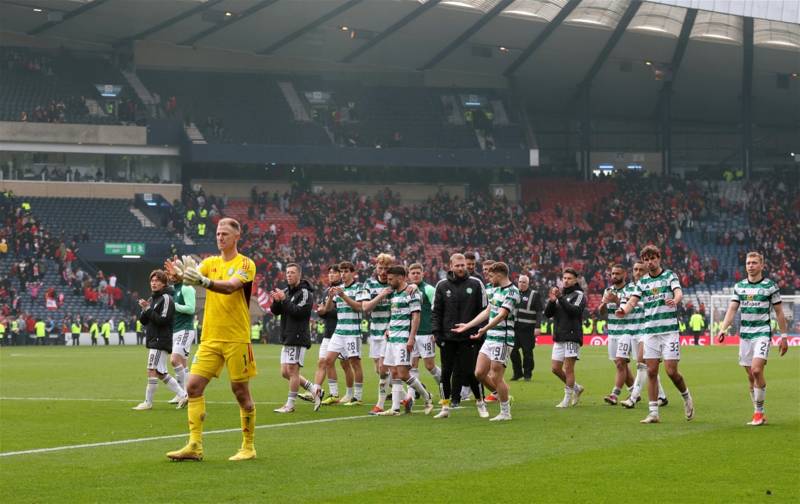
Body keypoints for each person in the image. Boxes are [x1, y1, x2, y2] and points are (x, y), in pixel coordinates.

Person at [165, 218, 258, 461]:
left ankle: (248, 446)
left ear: (237, 236)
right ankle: (194, 446)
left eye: (225, 234)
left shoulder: (246, 264)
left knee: (240, 391)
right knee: (193, 386)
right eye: (218, 234)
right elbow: (191, 279)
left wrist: (203, 281)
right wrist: (178, 278)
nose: (220, 238)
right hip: (210, 337)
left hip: (236, 338)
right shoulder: (210, 262)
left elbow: (230, 287)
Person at [617, 245, 694, 424]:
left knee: (671, 372)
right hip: (651, 331)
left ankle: (686, 397)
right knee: (651, 371)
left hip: (669, 332)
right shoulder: (642, 282)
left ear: (659, 258)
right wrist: (624, 311)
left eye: (653, 258)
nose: (650, 262)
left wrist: (674, 300)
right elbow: (633, 301)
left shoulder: (669, 275)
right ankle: (653, 413)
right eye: (646, 259)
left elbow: (678, 292)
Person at [715, 251, 789, 426]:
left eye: (754, 263)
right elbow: (732, 309)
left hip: (762, 333)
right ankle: (758, 411)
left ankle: (758, 413)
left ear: (762, 265)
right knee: (751, 376)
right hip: (745, 335)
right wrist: (723, 329)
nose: (751, 265)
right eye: (748, 263)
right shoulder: (739, 286)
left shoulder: (770, 286)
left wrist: (784, 336)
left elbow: (779, 312)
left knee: (756, 370)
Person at [454, 262, 520, 421]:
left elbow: (502, 315)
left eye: (491, 276)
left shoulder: (512, 291)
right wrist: (468, 325)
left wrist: (484, 329)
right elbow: (488, 311)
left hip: (503, 338)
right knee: (479, 373)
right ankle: (502, 395)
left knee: (497, 375)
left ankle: (505, 412)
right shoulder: (496, 290)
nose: (489, 279)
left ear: (499, 274)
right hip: (491, 338)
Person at [370, 265, 432, 416]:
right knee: (394, 373)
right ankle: (395, 408)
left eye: (391, 279)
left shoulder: (411, 293)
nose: (389, 281)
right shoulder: (394, 294)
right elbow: (394, 314)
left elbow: (416, 316)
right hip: (392, 339)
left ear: (400, 278)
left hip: (404, 339)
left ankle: (426, 396)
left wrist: (411, 338)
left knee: (403, 373)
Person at [431, 253, 487, 419]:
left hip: (469, 337)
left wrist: (479, 331)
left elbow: (485, 310)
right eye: (458, 265)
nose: (461, 268)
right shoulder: (441, 286)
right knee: (446, 373)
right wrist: (437, 333)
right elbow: (436, 312)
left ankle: (480, 403)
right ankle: (445, 407)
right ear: (451, 266)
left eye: (463, 265)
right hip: (448, 338)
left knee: (471, 373)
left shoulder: (476, 284)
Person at [310, 262, 364, 411]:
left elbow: (359, 307)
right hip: (339, 331)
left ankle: (357, 397)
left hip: (353, 331)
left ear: (353, 273)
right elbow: (327, 309)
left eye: (346, 271)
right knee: (328, 360)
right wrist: (330, 297)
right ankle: (334, 394)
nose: (343, 274)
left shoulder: (359, 287)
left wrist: (342, 295)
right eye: (341, 271)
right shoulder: (339, 289)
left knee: (354, 363)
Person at [132, 270, 187, 411]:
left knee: (151, 369)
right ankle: (183, 394)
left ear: (164, 283)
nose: (154, 283)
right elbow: (144, 321)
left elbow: (163, 320)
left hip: (160, 339)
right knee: (161, 373)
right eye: (152, 281)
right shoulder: (152, 299)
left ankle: (148, 402)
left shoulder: (167, 298)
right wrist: (145, 308)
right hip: (154, 339)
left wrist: (149, 309)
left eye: (157, 281)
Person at [620, 261, 668, 408]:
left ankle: (633, 398)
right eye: (636, 269)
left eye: (641, 269)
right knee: (649, 366)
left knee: (641, 363)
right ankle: (662, 396)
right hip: (632, 331)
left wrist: (634, 303)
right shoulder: (627, 289)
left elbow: (655, 305)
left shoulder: (653, 285)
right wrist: (622, 308)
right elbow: (623, 306)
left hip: (648, 329)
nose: (638, 272)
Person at [270, 263, 315, 413]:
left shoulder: (305, 293)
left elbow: (298, 312)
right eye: (287, 272)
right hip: (288, 335)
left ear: (299, 275)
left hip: (298, 336)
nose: (289, 275)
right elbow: (276, 312)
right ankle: (314, 389)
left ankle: (290, 404)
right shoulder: (285, 291)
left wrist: (284, 300)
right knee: (285, 372)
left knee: (293, 371)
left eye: (292, 272)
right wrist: (276, 301)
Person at [545, 268, 586, 408]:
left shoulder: (579, 295)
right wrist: (551, 301)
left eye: (569, 278)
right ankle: (577, 388)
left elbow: (574, 311)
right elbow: (548, 314)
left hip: (572, 336)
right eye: (564, 278)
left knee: (568, 368)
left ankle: (567, 399)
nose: (566, 280)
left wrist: (560, 298)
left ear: (575, 280)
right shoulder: (559, 296)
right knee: (555, 368)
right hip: (559, 336)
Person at [359, 253, 394, 413]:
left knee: (383, 368)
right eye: (381, 268)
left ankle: (380, 404)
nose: (384, 271)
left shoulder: (396, 284)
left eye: (387, 268)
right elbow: (365, 307)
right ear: (376, 268)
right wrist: (381, 295)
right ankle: (411, 393)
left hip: (390, 331)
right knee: (379, 369)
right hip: (375, 331)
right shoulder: (369, 284)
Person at [598, 264, 636, 405]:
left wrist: (616, 300)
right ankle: (634, 392)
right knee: (622, 365)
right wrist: (602, 305)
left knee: (620, 362)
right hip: (612, 332)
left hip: (627, 331)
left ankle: (614, 394)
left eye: (617, 273)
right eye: (613, 273)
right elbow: (602, 313)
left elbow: (632, 309)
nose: (614, 276)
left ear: (624, 274)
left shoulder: (631, 289)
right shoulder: (608, 290)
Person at [407, 263, 442, 395]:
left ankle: (446, 388)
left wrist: (435, 330)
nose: (415, 275)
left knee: (430, 366)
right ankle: (410, 397)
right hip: (412, 334)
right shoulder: (406, 290)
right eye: (413, 273)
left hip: (427, 333)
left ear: (423, 274)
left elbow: (437, 310)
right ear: (408, 275)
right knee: (412, 366)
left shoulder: (429, 289)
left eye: (418, 273)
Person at [165, 262, 196, 405]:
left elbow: (190, 308)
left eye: (171, 273)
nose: (169, 276)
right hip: (177, 330)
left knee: (174, 360)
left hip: (185, 329)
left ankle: (184, 393)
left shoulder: (186, 288)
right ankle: (187, 393)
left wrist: (174, 306)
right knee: (183, 363)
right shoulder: (176, 289)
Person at [510, 274, 542, 382]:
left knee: (527, 353)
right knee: (512, 351)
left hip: (528, 330)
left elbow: (539, 312)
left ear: (528, 284)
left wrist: (537, 326)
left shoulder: (534, 294)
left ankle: (527, 374)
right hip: (514, 329)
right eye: (520, 281)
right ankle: (518, 373)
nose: (521, 284)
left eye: (524, 282)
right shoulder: (513, 293)